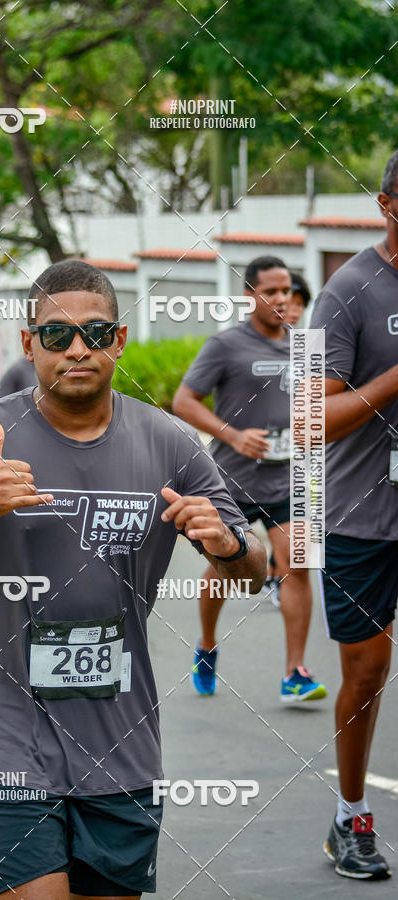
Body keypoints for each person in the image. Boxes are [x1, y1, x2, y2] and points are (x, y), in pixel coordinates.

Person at [0, 259, 267, 900]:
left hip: (120, 743)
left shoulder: (169, 443)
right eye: (56, 335)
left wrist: (231, 544)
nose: (76, 350)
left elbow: (255, 572)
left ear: (119, 341)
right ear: (28, 344)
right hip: (3, 738)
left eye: (95, 334)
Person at [172, 256, 326, 702]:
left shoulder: (307, 345)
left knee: (297, 567)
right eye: (271, 292)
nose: (281, 300)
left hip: (288, 481)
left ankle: (294, 673)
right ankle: (206, 646)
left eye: (288, 292)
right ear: (250, 295)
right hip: (231, 484)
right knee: (225, 571)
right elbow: (184, 401)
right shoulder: (225, 345)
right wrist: (234, 436)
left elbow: (317, 408)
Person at [309, 150, 398, 881]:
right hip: (363, 515)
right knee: (367, 673)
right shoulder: (346, 292)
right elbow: (313, 418)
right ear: (387, 204)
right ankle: (350, 817)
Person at [264, 270, 313, 602]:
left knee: (297, 541)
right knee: (223, 558)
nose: (292, 309)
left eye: (299, 304)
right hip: (251, 461)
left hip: (298, 457)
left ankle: (277, 575)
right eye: (287, 302)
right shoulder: (256, 343)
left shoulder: (310, 345)